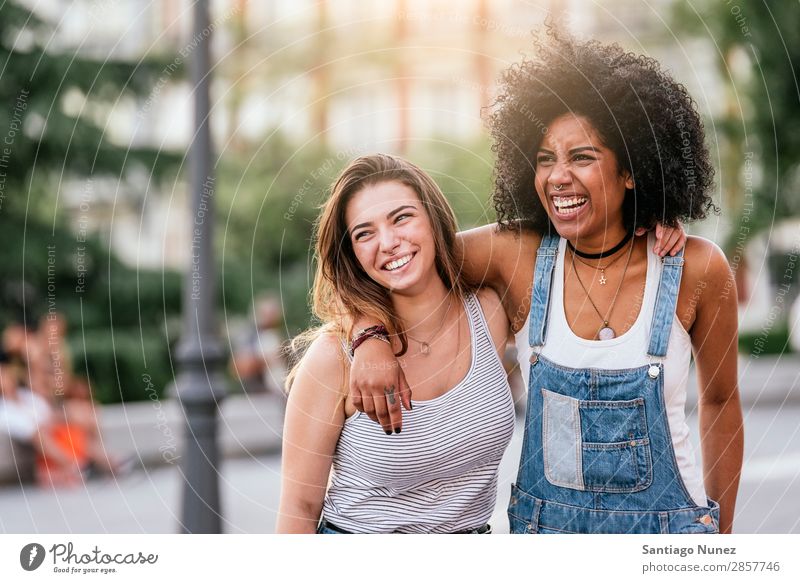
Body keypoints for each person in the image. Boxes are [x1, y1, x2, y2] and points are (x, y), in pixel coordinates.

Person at [349, 30, 743, 534]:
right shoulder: (515, 254)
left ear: (631, 170)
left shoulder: (696, 268)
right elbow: (399, 262)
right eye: (543, 159)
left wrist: (719, 540)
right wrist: (368, 335)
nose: (557, 177)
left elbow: (721, 401)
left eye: (581, 157)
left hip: (669, 535)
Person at [276, 154, 517, 533]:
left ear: (433, 219)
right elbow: (298, 507)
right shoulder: (333, 357)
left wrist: (646, 215)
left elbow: (558, 241)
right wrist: (368, 334)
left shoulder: (491, 313)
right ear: (352, 255)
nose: (388, 242)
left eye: (402, 217)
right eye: (364, 233)